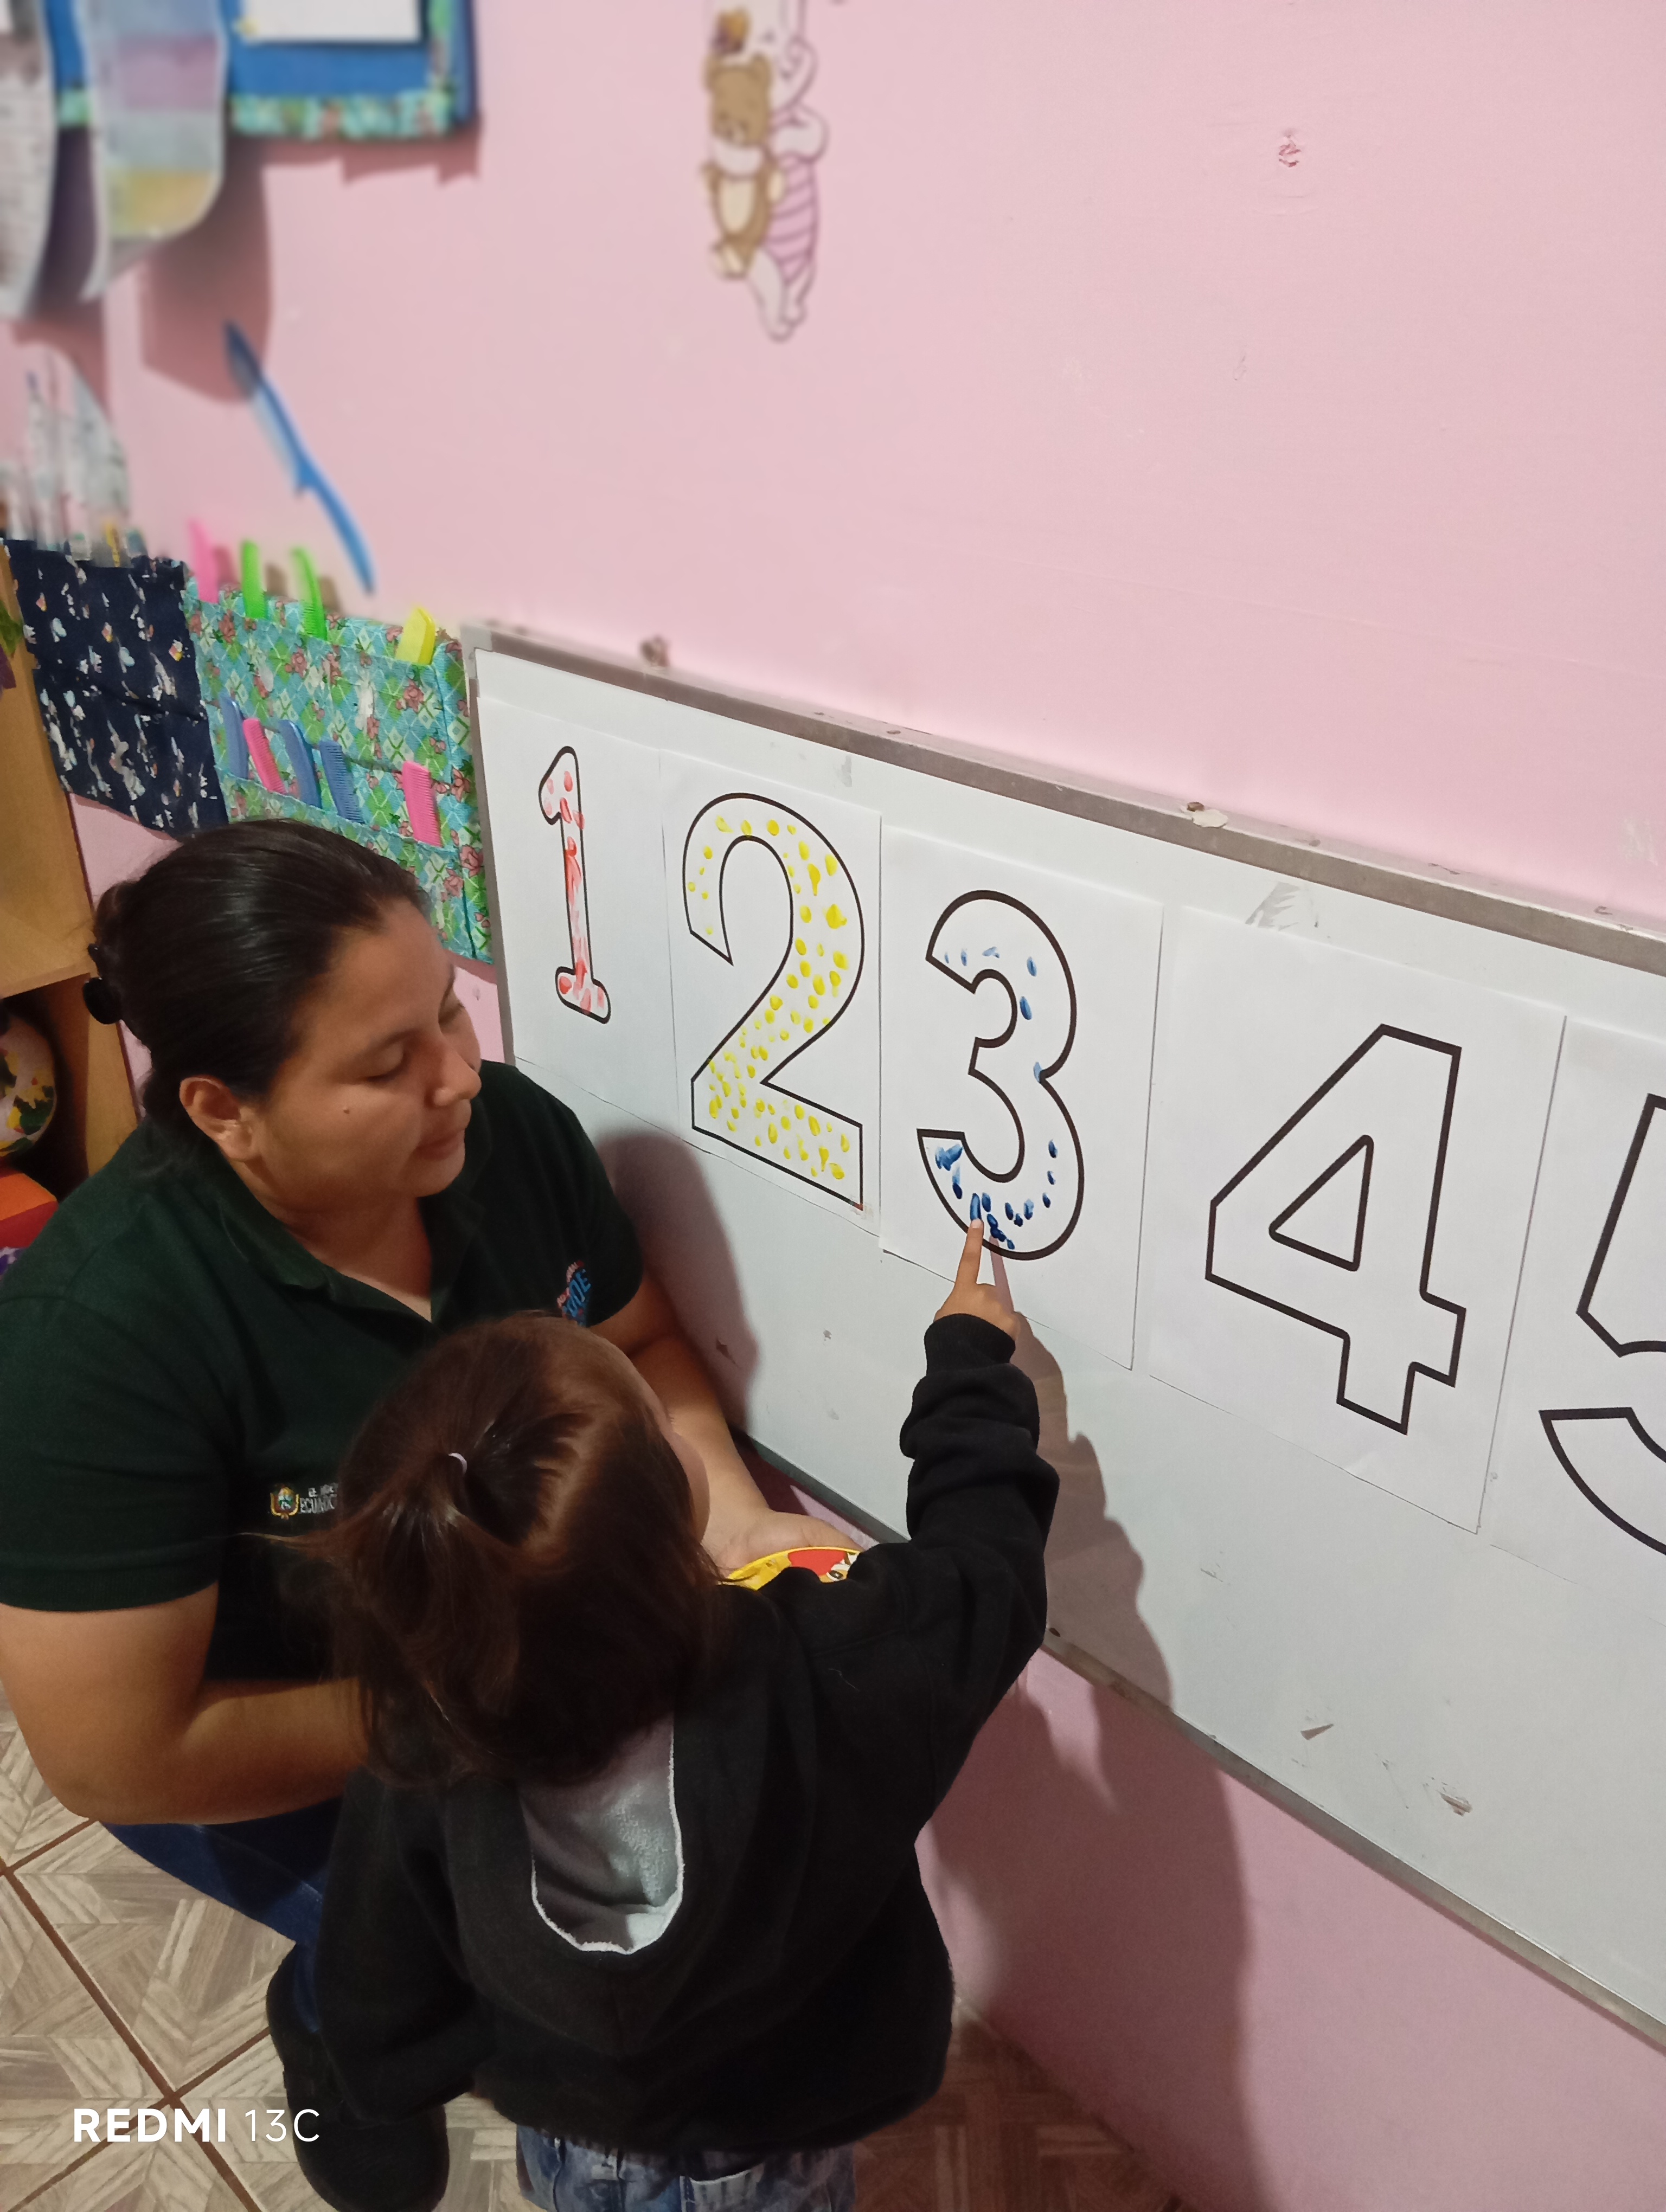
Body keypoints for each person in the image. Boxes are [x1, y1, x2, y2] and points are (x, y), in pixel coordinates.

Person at [0, 821, 837, 2106]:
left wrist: (729, 1519)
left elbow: (643, 1341)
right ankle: (333, 2025)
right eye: (389, 1064)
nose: (459, 1078)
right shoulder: (96, 1339)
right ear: (225, 1111)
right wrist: (491, 1712)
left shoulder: (510, 1139)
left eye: (450, 1011)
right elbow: (120, 1754)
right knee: (498, 1991)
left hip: (519, 1676)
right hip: (281, 1737)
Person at [297, 1218, 1055, 2212]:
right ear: (671, 1522)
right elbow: (989, 1571)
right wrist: (969, 1364)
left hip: (579, 2134)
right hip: (774, 2142)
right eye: (659, 1419)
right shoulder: (823, 1666)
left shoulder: (421, 1743)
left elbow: (378, 1989)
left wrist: (424, 2073)